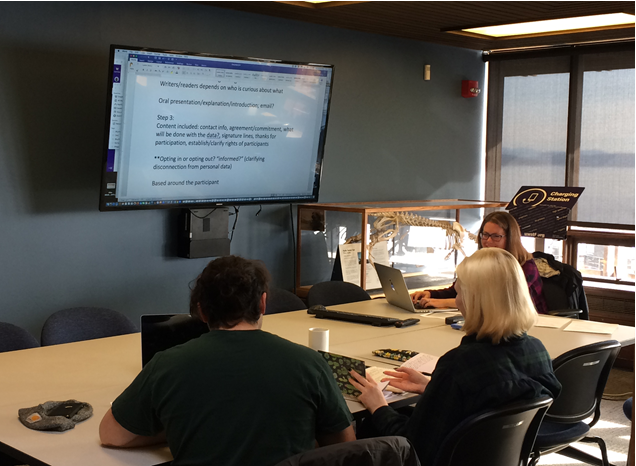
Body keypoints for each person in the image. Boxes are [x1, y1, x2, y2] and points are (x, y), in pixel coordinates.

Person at [99, 255, 355, 466]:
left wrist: (180, 427)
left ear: (201, 310)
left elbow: (112, 436)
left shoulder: (166, 364)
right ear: (263, 303)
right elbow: (346, 446)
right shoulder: (309, 363)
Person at [349, 248, 562, 465]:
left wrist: (378, 407)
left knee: (370, 426)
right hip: (493, 458)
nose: (457, 302)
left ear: (475, 301)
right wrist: (434, 386)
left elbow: (413, 446)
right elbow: (495, 394)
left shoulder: (459, 364)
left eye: (459, 294)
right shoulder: (538, 351)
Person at [411, 211, 549, 314]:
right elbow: (458, 290)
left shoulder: (524, 266)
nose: (488, 241)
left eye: (496, 236)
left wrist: (446, 303)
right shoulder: (481, 262)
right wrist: (430, 294)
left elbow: (501, 303)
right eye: (485, 235)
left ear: (510, 239)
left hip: (526, 326)